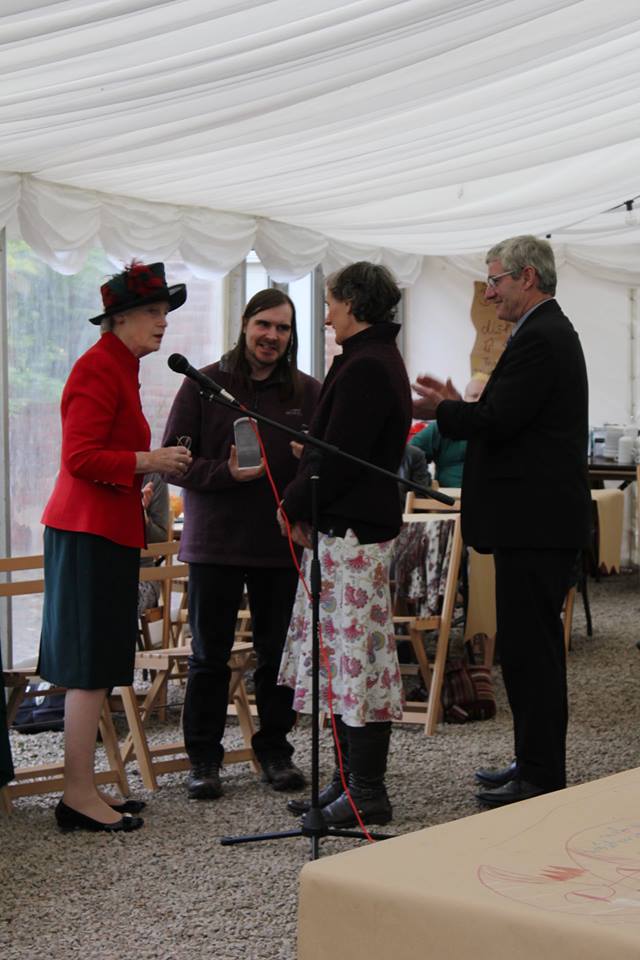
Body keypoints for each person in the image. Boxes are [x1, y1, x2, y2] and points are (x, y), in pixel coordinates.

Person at [412, 235, 591, 806]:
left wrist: (440, 409)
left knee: (531, 652)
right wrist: (451, 405)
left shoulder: (544, 336)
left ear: (528, 278)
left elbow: (500, 418)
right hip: (533, 524)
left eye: (495, 281)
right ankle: (532, 762)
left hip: (537, 526)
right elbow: (500, 414)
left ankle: (541, 776)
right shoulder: (541, 332)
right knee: (523, 648)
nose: (489, 293)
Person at [38, 261, 192, 833]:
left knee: (99, 662)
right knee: (88, 666)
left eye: (164, 313)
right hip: (86, 531)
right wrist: (148, 461)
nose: (163, 323)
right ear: (120, 319)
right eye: (153, 313)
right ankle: (75, 795)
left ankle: (82, 785)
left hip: (103, 528)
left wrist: (137, 476)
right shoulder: (98, 368)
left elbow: (100, 457)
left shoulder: (118, 367)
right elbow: (78, 457)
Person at [162, 288, 321, 800]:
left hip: (280, 544)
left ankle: (274, 751)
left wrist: (307, 480)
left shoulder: (306, 392)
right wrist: (225, 472)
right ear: (245, 324)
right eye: (265, 325)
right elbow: (174, 462)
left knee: (278, 654)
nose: (273, 336)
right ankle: (204, 760)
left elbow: (323, 464)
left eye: (284, 328)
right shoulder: (202, 384)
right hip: (215, 544)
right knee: (210, 655)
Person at [278, 261, 412, 826]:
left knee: (356, 662)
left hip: (354, 533)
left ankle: (365, 793)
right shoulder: (367, 359)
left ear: (353, 304)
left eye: (331, 302)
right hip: (346, 531)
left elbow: (336, 456)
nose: (326, 313)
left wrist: (293, 502)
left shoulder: (366, 367)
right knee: (337, 660)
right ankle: (345, 783)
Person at [409, 374, 488, 487]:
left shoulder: (501, 428)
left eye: (485, 396)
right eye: (474, 395)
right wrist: (425, 486)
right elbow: (410, 454)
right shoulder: (441, 426)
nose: (479, 399)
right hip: (445, 500)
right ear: (465, 398)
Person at [138, 472, 170, 617]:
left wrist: (142, 518)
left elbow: (161, 539)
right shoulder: (86, 468)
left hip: (142, 575)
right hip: (93, 572)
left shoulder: (153, 477)